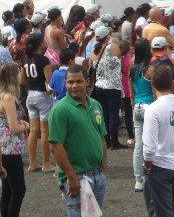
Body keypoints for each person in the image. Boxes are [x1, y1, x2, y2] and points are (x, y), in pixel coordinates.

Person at [48, 64, 108, 217]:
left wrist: (103, 169)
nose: (74, 86)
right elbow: (55, 146)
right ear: (65, 84)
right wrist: (71, 176)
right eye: (70, 82)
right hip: (77, 177)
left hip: (97, 174)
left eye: (78, 81)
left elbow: (101, 137)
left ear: (87, 82)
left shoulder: (96, 105)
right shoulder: (60, 110)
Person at [142, 65, 174, 217]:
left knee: (162, 212)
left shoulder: (153, 109)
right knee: (168, 210)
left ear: (152, 83)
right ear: (172, 83)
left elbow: (149, 146)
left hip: (160, 165)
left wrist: (147, 164)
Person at [22, 31, 55, 172]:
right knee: (45, 131)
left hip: (30, 95)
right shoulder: (44, 60)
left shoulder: (26, 59)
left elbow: (22, 80)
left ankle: (32, 163)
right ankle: (46, 163)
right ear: (40, 44)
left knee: (33, 131)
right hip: (42, 96)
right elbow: (49, 81)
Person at [0, 63, 28, 217]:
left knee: (8, 189)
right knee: (18, 189)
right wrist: (25, 126)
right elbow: (14, 128)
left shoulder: (3, 95)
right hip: (10, 148)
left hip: (5, 147)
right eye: (19, 73)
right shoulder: (9, 98)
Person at [91, 30, 125, 150]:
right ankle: (115, 142)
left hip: (99, 86)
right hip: (112, 86)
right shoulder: (113, 46)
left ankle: (107, 141)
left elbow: (91, 64)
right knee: (113, 114)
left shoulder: (95, 50)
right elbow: (120, 59)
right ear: (107, 36)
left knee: (104, 114)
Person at [130, 38, 154, 192]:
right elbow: (155, 92)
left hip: (137, 107)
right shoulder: (150, 70)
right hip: (149, 107)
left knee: (138, 145)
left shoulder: (132, 69)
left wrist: (134, 106)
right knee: (152, 143)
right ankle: (152, 177)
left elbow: (132, 92)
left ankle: (138, 180)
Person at [119, 40, 135, 146]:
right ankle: (133, 135)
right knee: (131, 113)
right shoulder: (131, 60)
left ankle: (131, 136)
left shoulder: (120, 59)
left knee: (128, 114)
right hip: (130, 87)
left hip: (123, 87)